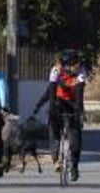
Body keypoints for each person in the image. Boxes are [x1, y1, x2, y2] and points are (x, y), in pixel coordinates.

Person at [31, 48, 87, 181]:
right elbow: (51, 92)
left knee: (75, 135)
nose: (78, 66)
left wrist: (79, 112)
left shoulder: (81, 72)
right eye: (75, 64)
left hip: (73, 102)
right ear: (67, 65)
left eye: (78, 63)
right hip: (59, 100)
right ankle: (56, 157)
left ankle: (74, 165)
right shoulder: (56, 70)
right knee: (53, 124)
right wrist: (51, 109)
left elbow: (79, 95)